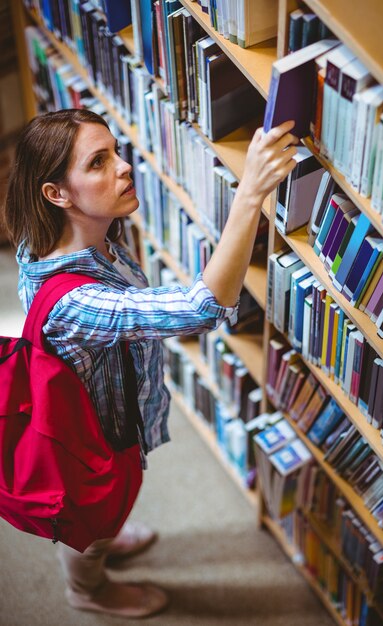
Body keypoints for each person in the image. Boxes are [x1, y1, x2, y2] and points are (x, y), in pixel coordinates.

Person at [3, 108, 298, 619]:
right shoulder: (76, 302)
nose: (124, 167)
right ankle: (87, 587)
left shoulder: (55, 235)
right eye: (98, 162)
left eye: (116, 151)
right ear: (57, 194)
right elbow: (201, 308)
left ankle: (102, 539)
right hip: (88, 443)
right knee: (88, 522)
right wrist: (250, 192)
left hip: (108, 419)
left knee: (107, 512)